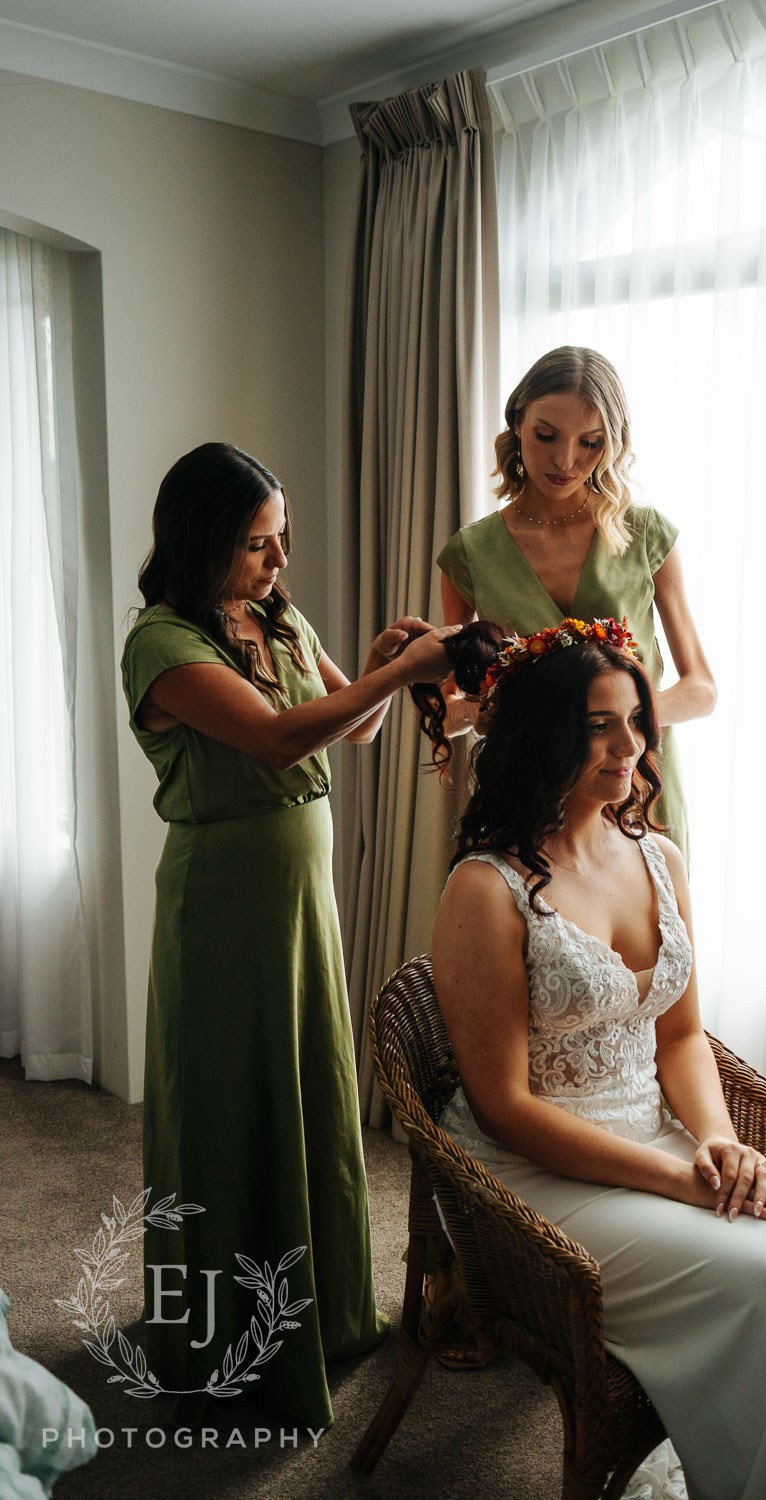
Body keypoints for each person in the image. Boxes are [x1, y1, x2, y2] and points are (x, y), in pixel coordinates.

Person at [429, 617, 766, 1500]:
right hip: (536, 1171)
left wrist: (715, 1142)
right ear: (542, 735)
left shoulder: (659, 856)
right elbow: (504, 1105)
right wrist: (677, 1182)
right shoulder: (484, 888)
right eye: (599, 724)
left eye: (636, 720)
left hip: (654, 1129)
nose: (630, 746)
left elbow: (681, 1036)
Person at [121, 442, 457, 1429]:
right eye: (258, 545)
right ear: (206, 540)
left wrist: (391, 673)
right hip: (224, 901)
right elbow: (276, 738)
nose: (278, 563)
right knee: (233, 1105)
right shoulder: (163, 641)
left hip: (300, 898)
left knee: (310, 1093)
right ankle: (226, 1339)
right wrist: (402, 674)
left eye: (282, 542)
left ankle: (325, 1313)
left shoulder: (273, 616)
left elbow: (348, 728)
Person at [436, 346, 716, 862]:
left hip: (635, 784)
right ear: (518, 422)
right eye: (546, 436)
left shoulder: (646, 534)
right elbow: (445, 710)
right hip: (530, 794)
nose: (565, 461)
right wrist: (507, 713)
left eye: (591, 443)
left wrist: (627, 721)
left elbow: (701, 688)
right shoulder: (471, 554)